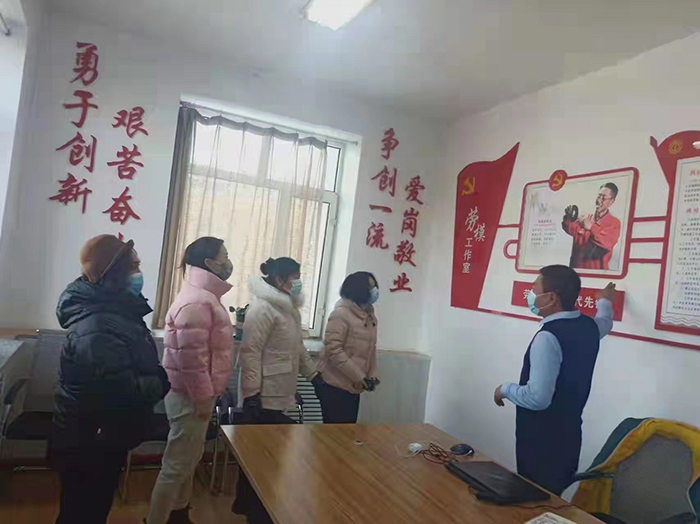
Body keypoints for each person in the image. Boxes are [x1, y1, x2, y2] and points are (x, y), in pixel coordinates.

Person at [50, 235, 170, 524]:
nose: (139, 273)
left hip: (100, 435)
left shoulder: (112, 312)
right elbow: (121, 390)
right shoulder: (98, 325)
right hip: (90, 440)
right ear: (113, 273)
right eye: (134, 266)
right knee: (82, 513)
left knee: (89, 509)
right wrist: (163, 380)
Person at [493, 265, 616, 495]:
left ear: (551, 298)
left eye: (534, 290)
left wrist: (505, 389)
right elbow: (605, 322)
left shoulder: (547, 338)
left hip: (540, 444)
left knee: (533, 501)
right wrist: (605, 301)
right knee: (553, 500)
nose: (530, 295)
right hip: (569, 438)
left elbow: (538, 398)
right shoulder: (587, 327)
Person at [147, 237, 234, 524]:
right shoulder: (197, 301)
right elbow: (191, 359)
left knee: (187, 461)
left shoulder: (205, 297)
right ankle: (156, 519)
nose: (228, 261)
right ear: (209, 263)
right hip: (190, 396)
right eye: (224, 255)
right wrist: (203, 398)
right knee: (176, 466)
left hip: (195, 395)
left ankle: (178, 515)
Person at [233, 257, 319, 523]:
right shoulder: (263, 308)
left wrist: (315, 376)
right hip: (263, 396)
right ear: (280, 280)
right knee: (258, 459)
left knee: (272, 458)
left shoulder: (289, 309)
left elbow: (298, 349)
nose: (299, 283)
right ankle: (254, 512)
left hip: (281, 393)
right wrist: (251, 394)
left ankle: (262, 506)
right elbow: (250, 352)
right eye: (295, 278)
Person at [315, 272, 380, 424]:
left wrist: (371, 375)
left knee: (348, 431)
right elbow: (334, 350)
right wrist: (359, 376)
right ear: (359, 290)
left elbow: (371, 348)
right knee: (336, 433)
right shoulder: (340, 314)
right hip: (334, 384)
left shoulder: (369, 316)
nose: (375, 290)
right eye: (371, 287)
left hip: (354, 385)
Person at [562, 183, 621, 270]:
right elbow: (570, 228)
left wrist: (591, 228)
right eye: (599, 196)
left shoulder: (614, 223)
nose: (599, 200)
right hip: (575, 272)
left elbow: (607, 243)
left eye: (604, 197)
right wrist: (568, 218)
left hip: (596, 274)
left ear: (612, 201)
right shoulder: (586, 218)